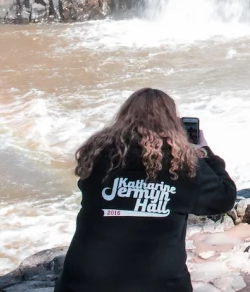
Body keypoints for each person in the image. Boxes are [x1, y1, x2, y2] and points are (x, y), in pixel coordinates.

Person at [55, 88, 236, 292]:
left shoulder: (98, 155)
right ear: (173, 122)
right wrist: (204, 153)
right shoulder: (184, 165)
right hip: (159, 285)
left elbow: (86, 187)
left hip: (82, 284)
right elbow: (224, 198)